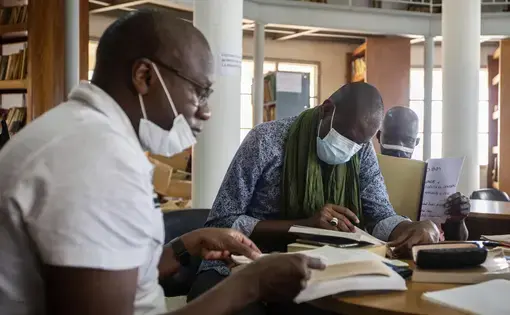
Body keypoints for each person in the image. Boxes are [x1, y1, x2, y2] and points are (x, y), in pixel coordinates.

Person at [0, 10, 326, 315]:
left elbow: (120, 274)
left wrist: (187, 245)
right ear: (144, 76)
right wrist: (253, 282)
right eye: (199, 91)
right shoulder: (97, 160)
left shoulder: (82, 133)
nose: (206, 110)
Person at [189, 83, 440, 312]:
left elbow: (380, 214)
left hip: (314, 271)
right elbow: (221, 223)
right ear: (326, 110)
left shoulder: (360, 152)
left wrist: (410, 228)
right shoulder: (266, 141)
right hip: (238, 266)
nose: (349, 149)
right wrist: (303, 226)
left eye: (359, 143)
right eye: (345, 138)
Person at [376, 106, 470, 241]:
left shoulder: (434, 178)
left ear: (416, 142)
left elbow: (457, 240)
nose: (398, 148)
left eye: (407, 140)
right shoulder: (365, 170)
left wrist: (458, 220)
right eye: (391, 138)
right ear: (379, 136)